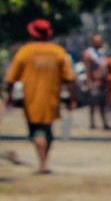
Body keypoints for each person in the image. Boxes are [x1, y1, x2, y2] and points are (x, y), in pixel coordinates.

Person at [5, 20, 77, 174]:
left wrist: (9, 98)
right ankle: (45, 161)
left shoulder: (25, 51)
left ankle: (43, 163)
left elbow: (11, 79)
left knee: (36, 130)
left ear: (32, 33)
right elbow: (69, 78)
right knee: (47, 129)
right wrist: (72, 98)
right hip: (52, 98)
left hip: (31, 99)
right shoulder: (58, 52)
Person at [82, 33, 111, 130]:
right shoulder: (89, 53)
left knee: (103, 103)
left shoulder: (101, 53)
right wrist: (89, 82)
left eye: (100, 41)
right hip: (94, 81)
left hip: (103, 82)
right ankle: (92, 123)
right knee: (93, 103)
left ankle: (104, 123)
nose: (100, 43)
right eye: (97, 41)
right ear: (93, 42)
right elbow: (87, 69)